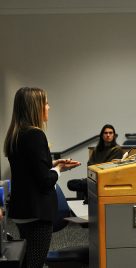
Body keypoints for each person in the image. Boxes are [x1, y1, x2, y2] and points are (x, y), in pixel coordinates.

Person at [3, 87, 81, 268]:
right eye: (45, 103)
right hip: (36, 214)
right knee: (34, 263)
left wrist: (53, 164)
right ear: (35, 107)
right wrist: (59, 169)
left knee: (27, 260)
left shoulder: (17, 134)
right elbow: (45, 181)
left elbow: (29, 170)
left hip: (23, 211)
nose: (49, 107)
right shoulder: (35, 134)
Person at [67, 124, 123, 200]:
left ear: (114, 135)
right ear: (102, 135)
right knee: (71, 183)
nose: (108, 135)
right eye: (105, 133)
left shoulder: (117, 149)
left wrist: (96, 168)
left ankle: (88, 198)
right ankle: (88, 197)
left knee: (80, 185)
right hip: (93, 177)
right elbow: (89, 164)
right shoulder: (97, 149)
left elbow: (109, 168)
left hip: (105, 180)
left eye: (110, 133)